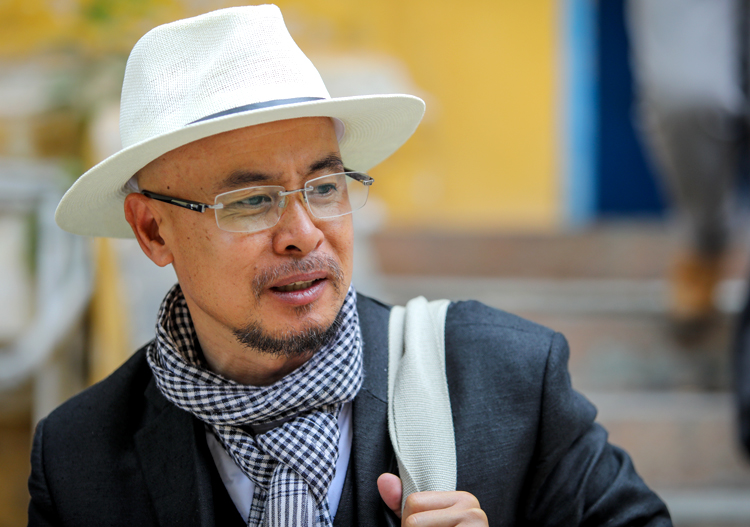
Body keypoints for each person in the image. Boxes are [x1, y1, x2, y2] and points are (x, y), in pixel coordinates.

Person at [28, 5, 671, 526]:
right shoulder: (78, 457)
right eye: (251, 201)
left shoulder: (506, 380)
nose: (304, 234)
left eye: (325, 186)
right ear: (151, 230)